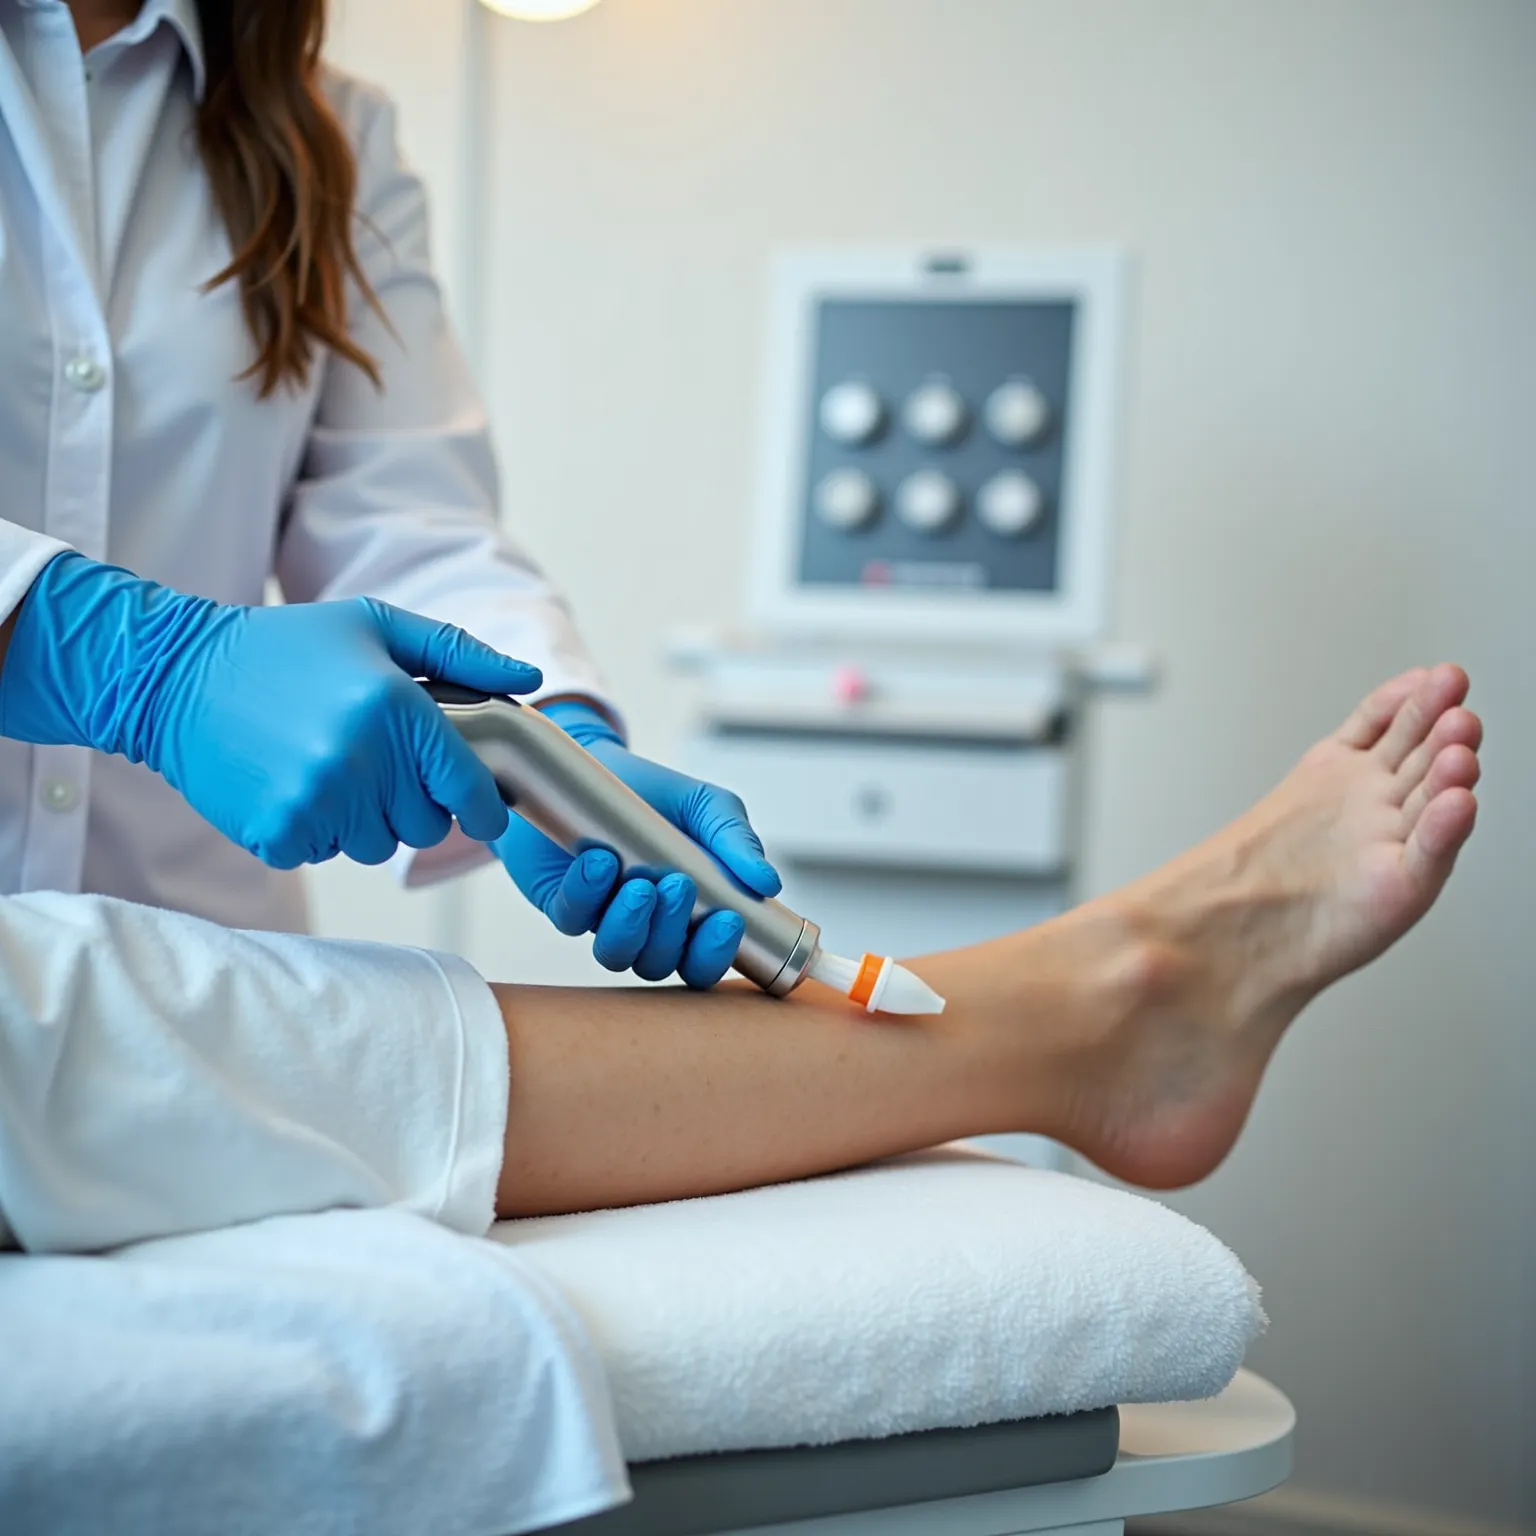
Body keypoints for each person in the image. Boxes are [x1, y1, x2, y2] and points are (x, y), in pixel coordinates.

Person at [0, 663, 1481, 1253]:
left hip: (209, 908)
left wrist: (548, 738)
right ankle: (1101, 1003)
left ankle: (1112, 997)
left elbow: (411, 515)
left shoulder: (309, 115)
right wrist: (92, 633)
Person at [0, 0, 776, 988]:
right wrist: (128, 659)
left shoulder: (327, 127)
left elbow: (400, 512)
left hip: (207, 988)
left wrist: (550, 751)